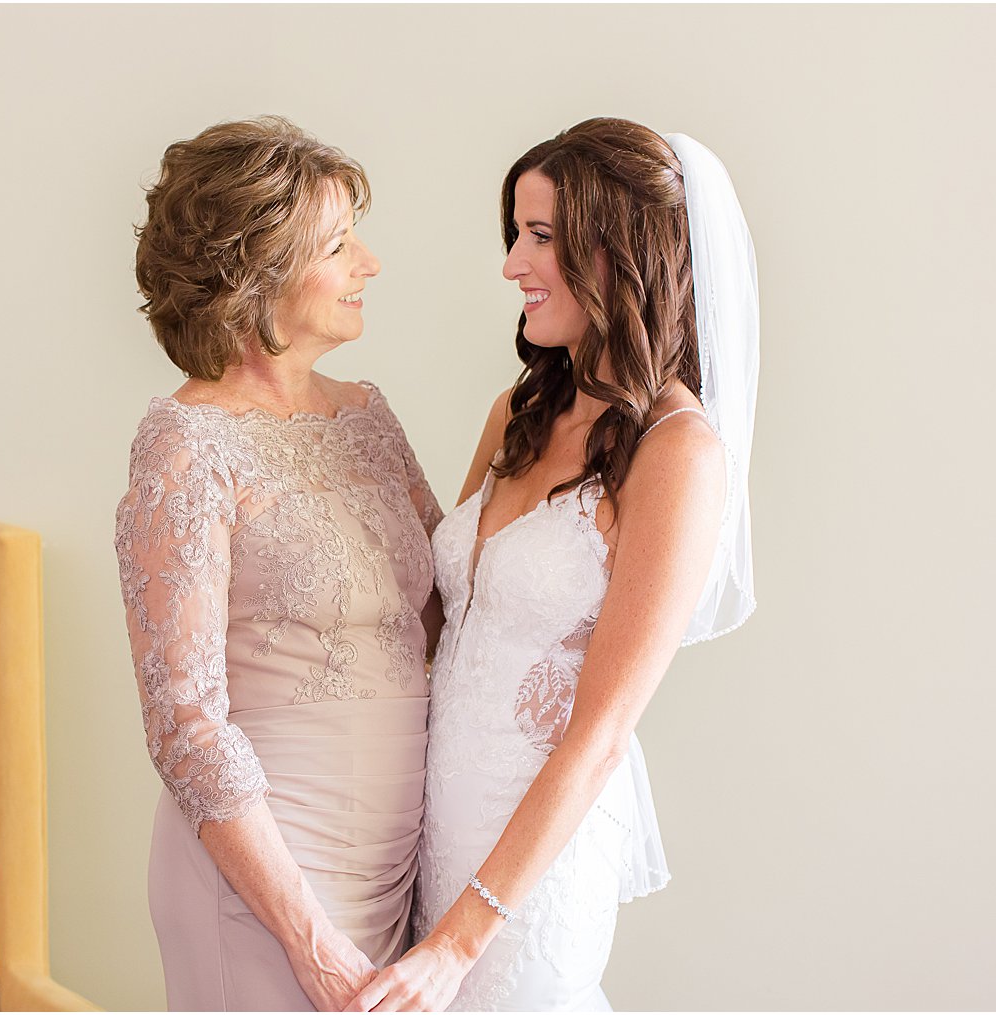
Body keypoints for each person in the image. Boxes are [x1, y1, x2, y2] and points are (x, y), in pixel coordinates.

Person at [348, 119, 759, 1011]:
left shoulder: (679, 453)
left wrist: (459, 943)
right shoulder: (517, 411)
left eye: (540, 238)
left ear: (619, 252)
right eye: (516, 234)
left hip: (527, 875)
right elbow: (431, 618)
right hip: (433, 826)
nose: (511, 265)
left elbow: (602, 732)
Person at [114, 116, 443, 1012]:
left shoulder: (368, 414)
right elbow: (185, 723)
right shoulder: (186, 448)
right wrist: (309, 938)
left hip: (395, 867)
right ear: (256, 276)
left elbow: (446, 606)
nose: (368, 264)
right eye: (339, 246)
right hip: (263, 887)